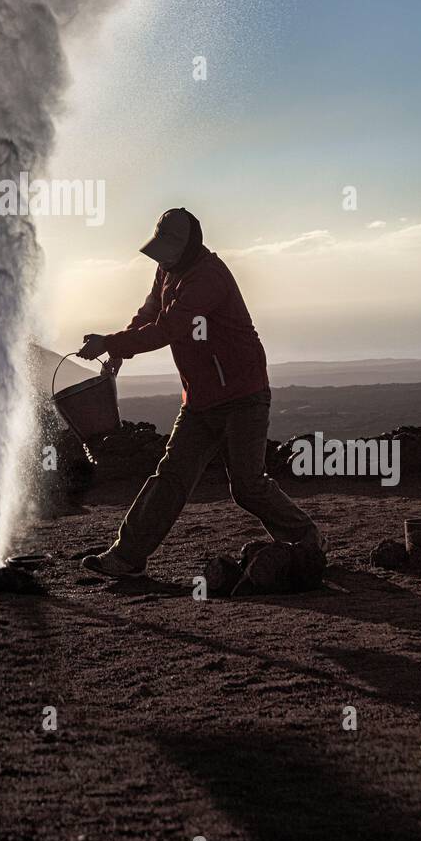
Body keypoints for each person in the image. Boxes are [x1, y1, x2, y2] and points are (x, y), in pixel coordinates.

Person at [77, 207, 321, 577]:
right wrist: (117, 349)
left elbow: (169, 328)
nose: (162, 256)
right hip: (200, 399)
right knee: (171, 476)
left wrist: (111, 342)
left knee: (247, 486)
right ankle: (127, 557)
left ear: (189, 244)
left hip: (243, 394)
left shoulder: (208, 278)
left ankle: (307, 540)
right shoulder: (167, 269)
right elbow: (149, 315)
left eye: (168, 248)